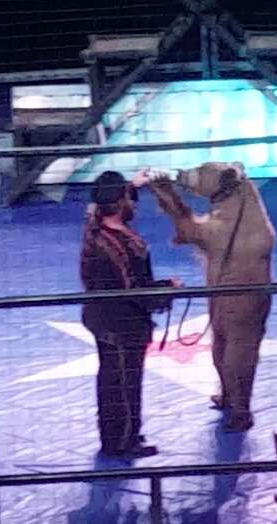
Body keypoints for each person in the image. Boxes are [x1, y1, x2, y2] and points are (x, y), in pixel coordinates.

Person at [80, 170, 181, 458]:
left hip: (101, 318)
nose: (134, 203)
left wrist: (131, 185)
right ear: (119, 202)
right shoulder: (120, 246)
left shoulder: (95, 227)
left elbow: (104, 204)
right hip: (123, 322)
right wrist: (167, 288)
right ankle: (125, 440)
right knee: (125, 382)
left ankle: (114, 437)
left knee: (111, 378)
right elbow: (133, 289)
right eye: (128, 197)